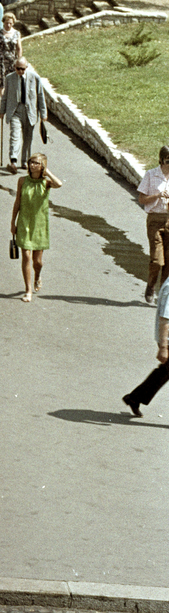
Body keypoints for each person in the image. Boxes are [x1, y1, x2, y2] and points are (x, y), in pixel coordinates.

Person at [11, 153, 62, 302]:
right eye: (31, 162)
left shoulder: (46, 183)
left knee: (37, 261)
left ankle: (37, 276)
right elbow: (17, 202)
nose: (32, 165)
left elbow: (59, 184)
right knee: (26, 256)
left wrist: (48, 172)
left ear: (42, 166)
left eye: (36, 163)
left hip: (39, 224)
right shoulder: (22, 181)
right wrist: (13, 222)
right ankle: (28, 291)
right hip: (24, 222)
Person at [122, 274, 169, 418]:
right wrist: (163, 347)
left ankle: (135, 397)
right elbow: (165, 318)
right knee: (165, 371)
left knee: (165, 372)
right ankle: (135, 397)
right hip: (168, 339)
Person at [0, 58, 46, 173]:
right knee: (15, 135)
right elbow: (5, 96)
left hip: (30, 111)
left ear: (26, 68)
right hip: (15, 111)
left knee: (27, 137)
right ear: (14, 67)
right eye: (18, 68)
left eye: (22, 69)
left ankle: (25, 161)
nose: (20, 71)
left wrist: (43, 113)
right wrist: (2, 110)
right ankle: (13, 160)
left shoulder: (35, 78)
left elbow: (40, 96)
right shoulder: (9, 78)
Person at [136, 146, 169, 305]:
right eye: (168, 161)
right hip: (155, 220)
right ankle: (150, 286)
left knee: (168, 262)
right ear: (162, 160)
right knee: (157, 260)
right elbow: (142, 199)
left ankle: (162, 296)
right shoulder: (151, 174)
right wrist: (157, 195)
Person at [0, 12, 22, 91]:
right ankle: (3, 100)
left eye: (10, 23)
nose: (8, 25)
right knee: (1, 83)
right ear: (3, 22)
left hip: (12, 62)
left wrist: (19, 60)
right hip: (1, 61)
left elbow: (19, 48)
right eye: (6, 23)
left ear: (13, 23)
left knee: (12, 82)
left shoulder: (17, 34)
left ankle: (10, 100)